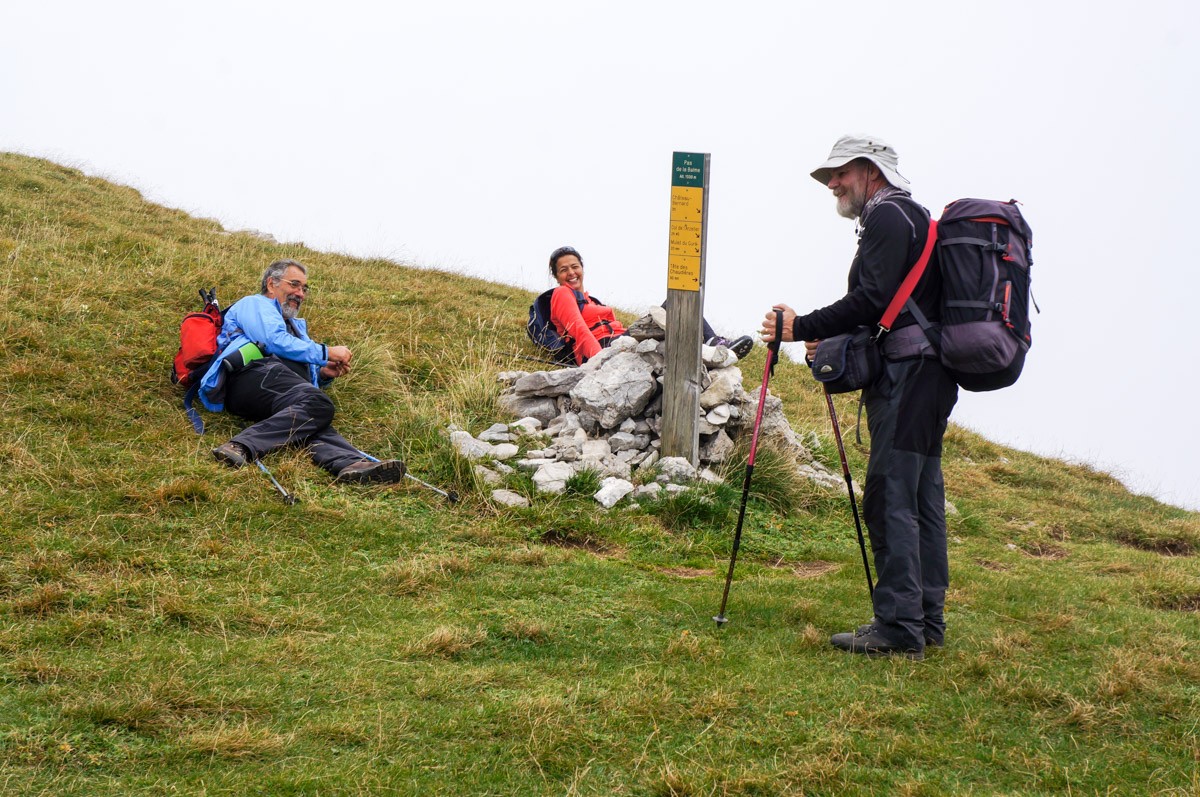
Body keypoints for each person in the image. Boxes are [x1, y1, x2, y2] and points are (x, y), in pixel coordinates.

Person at [760, 135, 958, 661]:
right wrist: (830, 335)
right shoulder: (912, 217)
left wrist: (801, 326)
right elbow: (885, 306)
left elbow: (870, 299)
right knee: (920, 496)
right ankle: (926, 621)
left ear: (871, 170)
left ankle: (899, 628)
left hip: (909, 376)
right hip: (930, 374)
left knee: (890, 495)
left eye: (840, 173)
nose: (832, 183)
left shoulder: (889, 216)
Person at [198, 259, 406, 484]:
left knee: (310, 417)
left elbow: (299, 369)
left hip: (275, 387)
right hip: (248, 377)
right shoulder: (255, 304)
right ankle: (241, 445)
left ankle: (349, 464)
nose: (300, 293)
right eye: (294, 284)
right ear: (271, 284)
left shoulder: (295, 326)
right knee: (318, 404)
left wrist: (323, 374)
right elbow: (273, 341)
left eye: (304, 288)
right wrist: (326, 352)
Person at [547, 245, 753, 366]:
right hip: (606, 350)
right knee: (674, 303)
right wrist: (599, 360)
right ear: (556, 277)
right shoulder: (561, 293)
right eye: (564, 270)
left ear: (582, 268)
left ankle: (712, 350)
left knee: (676, 316)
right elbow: (579, 330)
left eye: (575, 266)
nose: (571, 273)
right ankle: (715, 345)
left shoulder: (590, 300)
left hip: (619, 342)